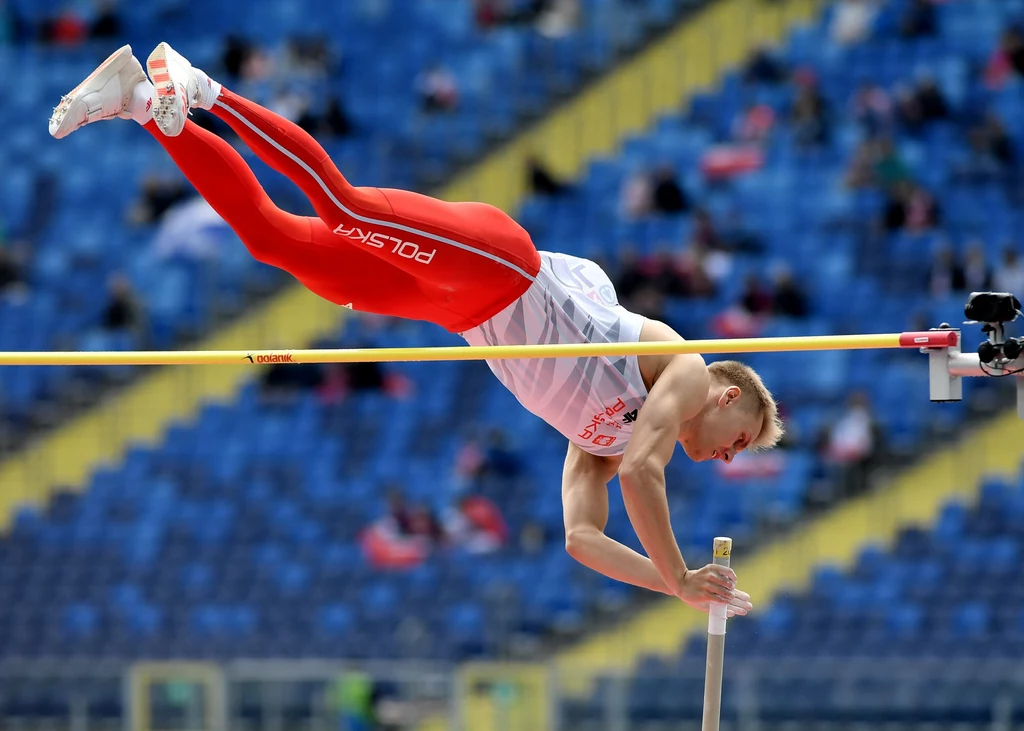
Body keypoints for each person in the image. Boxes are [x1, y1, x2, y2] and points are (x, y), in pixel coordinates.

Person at [50, 43, 784, 619]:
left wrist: (672, 589)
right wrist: (681, 573)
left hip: (455, 309)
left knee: (276, 242)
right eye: (743, 438)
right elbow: (642, 473)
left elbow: (582, 537)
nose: (728, 457)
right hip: (502, 269)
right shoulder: (686, 371)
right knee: (343, 209)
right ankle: (202, 88)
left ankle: (143, 102)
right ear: (727, 396)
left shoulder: (606, 440)